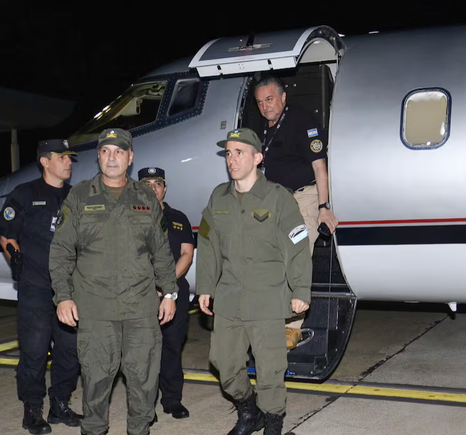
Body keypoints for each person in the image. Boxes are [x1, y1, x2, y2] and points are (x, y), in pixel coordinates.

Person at [49, 128, 178, 435]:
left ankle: (140, 430)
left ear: (130, 157)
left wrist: (169, 293)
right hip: (96, 308)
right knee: (95, 378)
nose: (111, 158)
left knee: (144, 378)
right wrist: (63, 296)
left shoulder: (145, 197)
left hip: (141, 307)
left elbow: (160, 250)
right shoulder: (80, 196)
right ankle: (94, 430)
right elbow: (61, 251)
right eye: (106, 151)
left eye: (119, 152)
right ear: (98, 156)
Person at [197, 128, 312, 435]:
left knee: (270, 368)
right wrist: (205, 286)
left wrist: (301, 288)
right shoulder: (218, 197)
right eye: (228, 153)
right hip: (229, 296)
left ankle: (273, 423)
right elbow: (207, 243)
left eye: (239, 153)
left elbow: (298, 244)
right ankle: (250, 410)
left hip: (266, 296)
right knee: (223, 363)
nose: (232, 159)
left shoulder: (278, 197)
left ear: (258, 158)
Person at [0, 139, 82, 434]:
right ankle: (33, 409)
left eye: (70, 158)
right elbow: (7, 237)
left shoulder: (76, 196)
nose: (69, 162)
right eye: (62, 157)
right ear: (45, 161)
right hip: (36, 287)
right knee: (34, 351)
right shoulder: (25, 194)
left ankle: (60, 403)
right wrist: (18, 263)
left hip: (69, 289)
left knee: (69, 350)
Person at [253, 75, 338, 348]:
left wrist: (323, 208)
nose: (265, 107)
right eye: (260, 102)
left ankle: (291, 327)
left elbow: (320, 168)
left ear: (283, 97)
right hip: (276, 202)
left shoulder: (303, 122)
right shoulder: (262, 127)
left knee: (298, 257)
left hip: (304, 199)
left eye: (270, 99)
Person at [138, 166, 194, 420]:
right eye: (147, 185)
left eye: (157, 184)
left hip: (174, 292)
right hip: (142, 292)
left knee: (172, 345)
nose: (153, 189)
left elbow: (187, 254)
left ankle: (172, 399)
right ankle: (145, 404)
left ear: (165, 188)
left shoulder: (179, 218)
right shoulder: (130, 217)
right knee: (143, 350)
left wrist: (166, 284)